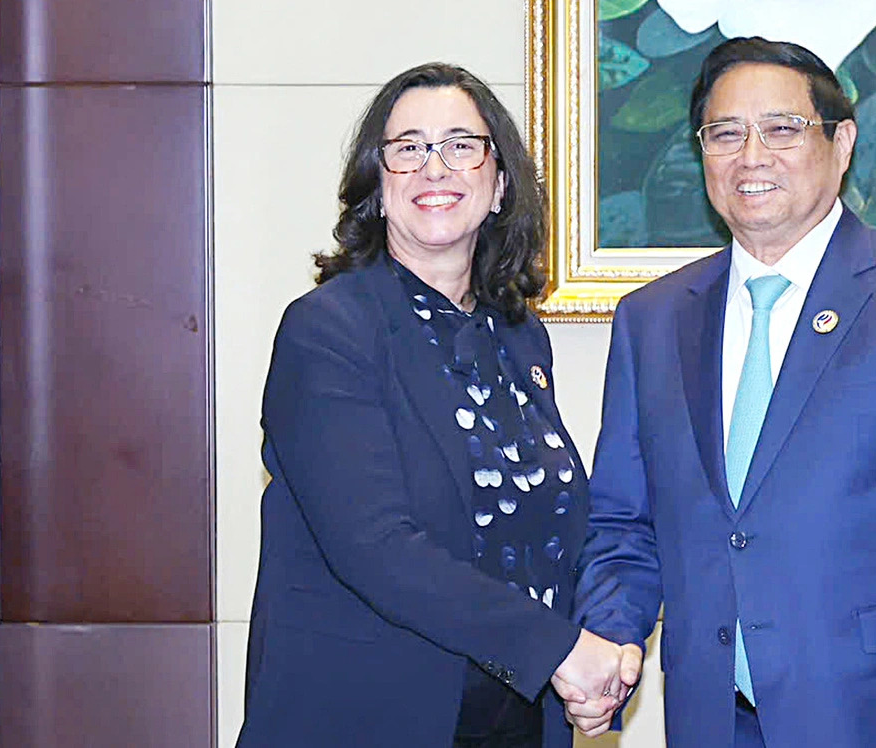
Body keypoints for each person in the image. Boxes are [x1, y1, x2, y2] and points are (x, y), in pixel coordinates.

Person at [571, 37, 876, 746]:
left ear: (843, 141)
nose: (751, 156)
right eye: (724, 133)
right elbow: (624, 525)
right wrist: (611, 637)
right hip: (714, 723)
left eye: (782, 129)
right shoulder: (653, 320)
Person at [236, 63, 637, 748]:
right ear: (379, 187)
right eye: (408, 148)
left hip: (513, 720)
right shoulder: (329, 330)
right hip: (364, 718)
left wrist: (606, 643)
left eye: (460, 144)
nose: (434, 167)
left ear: (499, 181)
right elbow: (376, 549)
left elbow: (550, 528)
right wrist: (561, 651)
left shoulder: (517, 337)